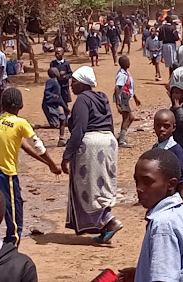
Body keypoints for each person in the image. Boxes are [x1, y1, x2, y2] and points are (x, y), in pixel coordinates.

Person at [117, 149, 183, 282]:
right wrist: (140, 274)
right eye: (137, 181)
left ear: (170, 185)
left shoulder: (162, 225)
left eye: (147, 182)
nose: (139, 188)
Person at [0, 87, 61, 246]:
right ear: (21, 105)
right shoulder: (21, 123)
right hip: (5, 174)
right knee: (14, 209)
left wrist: (46, 164)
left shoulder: (1, 119)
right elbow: (38, 147)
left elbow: (22, 145)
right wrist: (53, 165)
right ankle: (12, 243)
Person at [62, 66, 123, 243]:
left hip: (92, 145)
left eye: (74, 82)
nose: (71, 86)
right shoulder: (102, 97)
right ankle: (104, 231)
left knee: (88, 187)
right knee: (102, 184)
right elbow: (110, 122)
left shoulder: (82, 100)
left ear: (82, 84)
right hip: (109, 142)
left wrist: (67, 155)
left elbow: (80, 128)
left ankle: (108, 221)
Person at [151, 110, 183, 199]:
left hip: (172, 197)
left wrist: (182, 202)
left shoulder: (176, 150)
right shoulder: (155, 148)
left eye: (166, 126)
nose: (161, 129)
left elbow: (182, 178)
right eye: (158, 126)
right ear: (154, 127)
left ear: (173, 127)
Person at [113, 55, 140, 148]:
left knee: (130, 117)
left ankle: (121, 137)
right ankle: (121, 141)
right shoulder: (121, 75)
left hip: (126, 97)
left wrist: (135, 98)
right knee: (127, 117)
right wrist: (117, 104)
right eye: (127, 61)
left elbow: (130, 87)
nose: (129, 63)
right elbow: (117, 88)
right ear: (123, 63)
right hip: (123, 98)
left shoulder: (126, 73)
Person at [40, 67, 70, 147]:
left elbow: (59, 97)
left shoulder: (56, 82)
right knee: (55, 125)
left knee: (63, 119)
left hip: (54, 105)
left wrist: (65, 108)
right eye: (57, 71)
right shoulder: (51, 81)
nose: (58, 71)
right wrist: (53, 95)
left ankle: (61, 139)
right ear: (54, 73)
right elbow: (46, 92)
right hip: (49, 105)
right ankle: (36, 127)